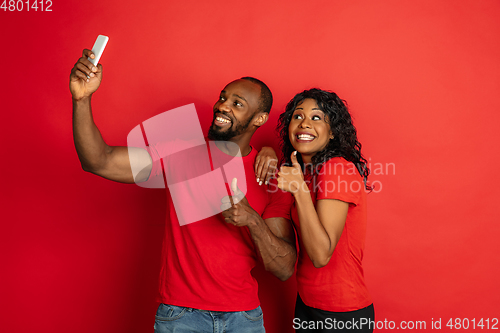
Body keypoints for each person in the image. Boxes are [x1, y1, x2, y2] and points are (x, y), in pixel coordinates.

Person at [70, 48, 296, 332]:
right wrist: (82, 99)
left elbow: (284, 268)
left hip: (244, 319)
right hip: (181, 316)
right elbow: (98, 160)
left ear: (259, 119)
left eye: (237, 103)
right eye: (223, 97)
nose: (222, 106)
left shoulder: (271, 175)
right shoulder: (180, 153)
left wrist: (252, 220)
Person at [276, 89, 374, 332]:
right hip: (308, 303)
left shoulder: (336, 168)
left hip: (340, 313)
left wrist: (298, 189)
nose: (304, 123)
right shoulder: (306, 172)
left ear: (332, 133)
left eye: (317, 118)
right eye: (297, 117)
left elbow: (321, 255)